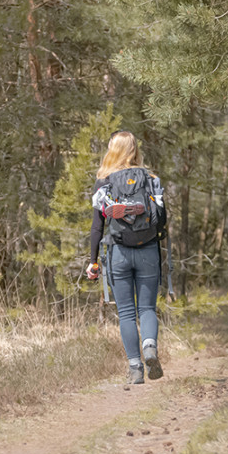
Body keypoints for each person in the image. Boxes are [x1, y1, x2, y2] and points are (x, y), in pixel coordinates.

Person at [86, 131, 166, 385]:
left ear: (113, 150)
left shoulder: (103, 182)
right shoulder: (151, 179)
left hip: (118, 252)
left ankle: (135, 369)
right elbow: (162, 218)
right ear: (134, 150)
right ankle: (150, 346)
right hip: (148, 250)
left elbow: (97, 227)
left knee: (127, 313)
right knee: (147, 309)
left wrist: (93, 260)